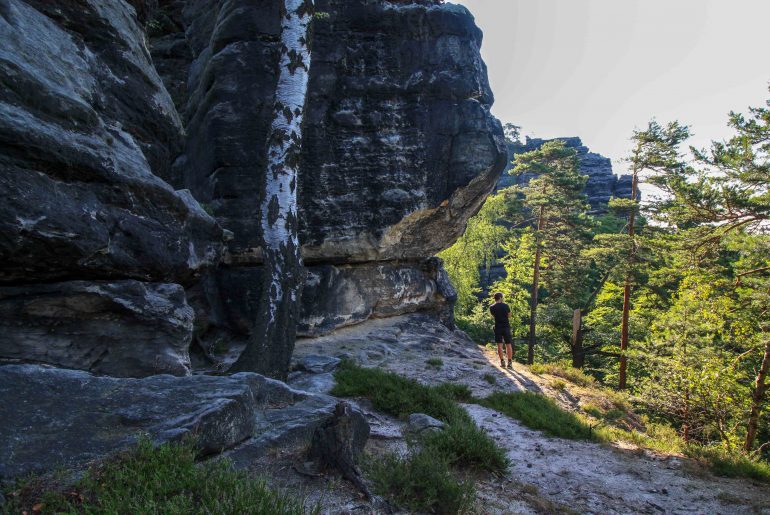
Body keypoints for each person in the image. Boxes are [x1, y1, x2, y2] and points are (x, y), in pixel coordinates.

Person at [490, 292, 513, 369]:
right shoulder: (506, 306)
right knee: (508, 344)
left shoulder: (492, 307)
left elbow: (494, 316)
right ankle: (509, 363)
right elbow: (509, 315)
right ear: (500, 298)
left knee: (499, 345)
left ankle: (502, 362)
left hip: (498, 327)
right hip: (506, 326)